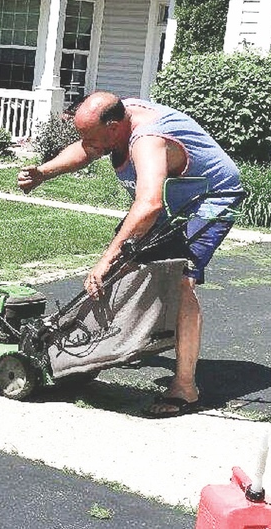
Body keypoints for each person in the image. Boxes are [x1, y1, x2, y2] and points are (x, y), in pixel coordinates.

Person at [16, 92, 242, 417]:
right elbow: (87, 149)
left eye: (93, 137)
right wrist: (44, 172)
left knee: (182, 280)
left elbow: (149, 205)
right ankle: (100, 348)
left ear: (114, 127)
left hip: (210, 198)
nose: (88, 144)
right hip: (169, 198)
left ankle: (186, 388)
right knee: (123, 268)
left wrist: (105, 258)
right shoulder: (113, 119)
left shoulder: (148, 139)